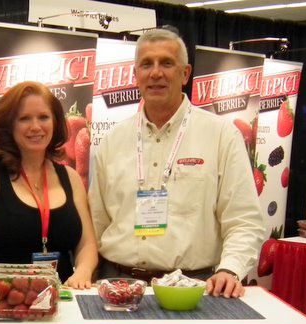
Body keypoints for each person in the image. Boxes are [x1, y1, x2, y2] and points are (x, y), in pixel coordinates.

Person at [89, 28, 265, 298]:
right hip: (117, 283)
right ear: (135, 75)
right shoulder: (113, 141)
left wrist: (230, 269)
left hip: (193, 288)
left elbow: (244, 219)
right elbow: (96, 222)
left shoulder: (221, 136)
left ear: (185, 73)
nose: (155, 73)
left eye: (166, 63)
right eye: (146, 64)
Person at [0, 81, 98, 289]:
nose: (36, 126)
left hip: (63, 298)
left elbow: (87, 245)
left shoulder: (71, 177)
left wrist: (83, 273)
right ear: (9, 125)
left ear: (55, 122)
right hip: (6, 298)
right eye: (24, 118)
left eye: (43, 117)